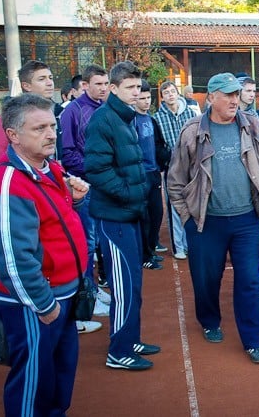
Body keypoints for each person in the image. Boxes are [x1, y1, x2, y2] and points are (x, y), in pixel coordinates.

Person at [168, 72, 259, 364]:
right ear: (211, 98)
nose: (234, 99)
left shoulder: (252, 125)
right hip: (206, 222)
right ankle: (209, 320)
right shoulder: (192, 131)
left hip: (247, 220)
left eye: (236, 94)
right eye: (228, 95)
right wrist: (187, 218)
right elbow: (175, 181)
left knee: (249, 281)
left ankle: (254, 340)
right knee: (206, 279)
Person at [0, 94, 91, 415]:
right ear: (13, 135)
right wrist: (42, 304)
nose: (51, 134)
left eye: (52, 126)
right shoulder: (8, 181)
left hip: (62, 294)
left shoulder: (51, 169)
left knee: (59, 377)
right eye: (39, 128)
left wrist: (73, 201)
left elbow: (50, 227)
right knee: (33, 382)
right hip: (36, 302)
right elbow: (12, 254)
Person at [84, 61, 160, 371]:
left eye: (138, 87)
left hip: (128, 215)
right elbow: (97, 171)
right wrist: (131, 194)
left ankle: (129, 338)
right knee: (124, 283)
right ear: (113, 89)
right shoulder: (103, 121)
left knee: (134, 283)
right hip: (114, 217)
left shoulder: (124, 117)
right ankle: (119, 351)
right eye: (129, 87)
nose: (136, 92)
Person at [60, 64, 111, 327]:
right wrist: (95, 171)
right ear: (85, 85)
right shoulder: (73, 112)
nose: (103, 88)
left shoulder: (105, 109)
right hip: (86, 187)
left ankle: (95, 289)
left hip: (104, 185)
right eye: (98, 84)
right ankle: (88, 294)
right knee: (88, 243)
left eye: (106, 84)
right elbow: (67, 152)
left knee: (100, 241)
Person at [152, 81, 198, 260]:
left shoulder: (190, 113)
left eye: (172, 91)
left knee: (193, 205)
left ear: (177, 93)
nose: (170, 95)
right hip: (172, 170)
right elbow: (158, 146)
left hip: (192, 168)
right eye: (166, 92)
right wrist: (170, 156)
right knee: (174, 209)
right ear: (162, 97)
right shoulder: (157, 118)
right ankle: (179, 246)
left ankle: (190, 244)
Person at [134, 79, 170, 271]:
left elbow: (157, 144)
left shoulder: (150, 119)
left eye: (148, 98)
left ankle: (151, 248)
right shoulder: (131, 120)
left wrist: (164, 158)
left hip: (154, 172)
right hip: (141, 175)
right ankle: (145, 255)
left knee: (157, 213)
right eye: (142, 98)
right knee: (144, 217)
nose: (146, 101)